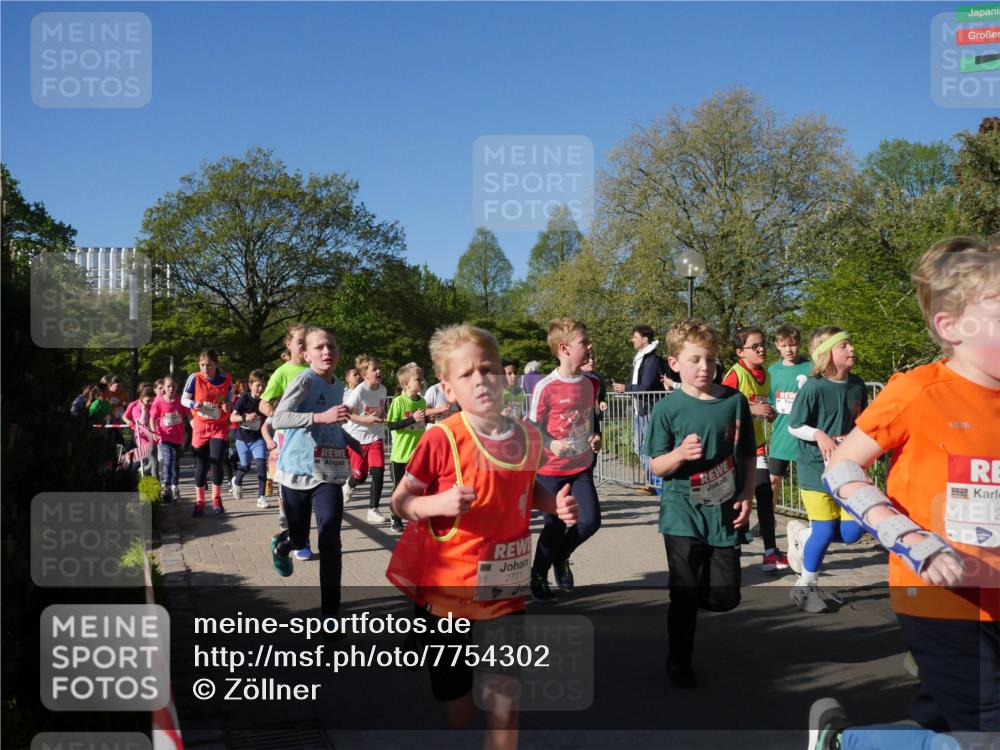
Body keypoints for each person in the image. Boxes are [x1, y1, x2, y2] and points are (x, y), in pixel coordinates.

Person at [807, 237, 999, 750]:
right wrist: (911, 538)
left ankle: (843, 742)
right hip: (939, 598)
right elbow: (842, 467)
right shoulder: (918, 391)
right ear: (950, 327)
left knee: (938, 721)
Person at [386, 323, 578, 750]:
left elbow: (526, 490)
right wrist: (433, 505)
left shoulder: (526, 436)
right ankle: (455, 694)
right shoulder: (442, 438)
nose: (480, 380)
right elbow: (401, 501)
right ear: (448, 388)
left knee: (504, 706)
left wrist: (554, 505)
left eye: (487, 369)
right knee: (458, 711)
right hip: (450, 600)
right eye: (467, 374)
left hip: (505, 595)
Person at [643, 319, 756, 689]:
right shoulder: (667, 408)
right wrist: (679, 453)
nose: (704, 367)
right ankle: (679, 660)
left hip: (722, 508)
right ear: (674, 363)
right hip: (681, 510)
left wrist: (746, 494)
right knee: (683, 589)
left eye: (710, 359)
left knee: (726, 598)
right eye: (695, 360)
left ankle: (691, 601)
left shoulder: (733, 402)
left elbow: (747, 455)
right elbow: (656, 465)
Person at [269, 327, 352, 625]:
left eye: (331, 346)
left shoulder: (338, 385)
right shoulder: (304, 379)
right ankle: (284, 543)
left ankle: (331, 615)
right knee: (301, 538)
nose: (326, 351)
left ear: (338, 352)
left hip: (327, 474)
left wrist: (352, 444)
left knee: (330, 538)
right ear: (306, 354)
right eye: (319, 347)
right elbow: (279, 418)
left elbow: (332, 425)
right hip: (295, 472)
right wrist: (320, 417)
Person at [785, 326, 868, 613]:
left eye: (851, 344)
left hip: (847, 470)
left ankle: (801, 536)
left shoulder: (858, 384)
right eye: (844, 346)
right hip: (814, 469)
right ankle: (806, 587)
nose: (851, 349)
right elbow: (794, 425)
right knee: (824, 531)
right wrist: (819, 434)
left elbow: (861, 423)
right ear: (826, 354)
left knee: (852, 532)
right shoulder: (814, 386)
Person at [528, 319, 603, 601]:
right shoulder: (545, 386)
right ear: (564, 348)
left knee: (590, 522)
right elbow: (533, 426)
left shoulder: (592, 383)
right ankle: (538, 574)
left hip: (581, 467)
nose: (589, 346)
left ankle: (561, 557)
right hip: (550, 470)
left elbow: (590, 418)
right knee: (556, 525)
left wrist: (596, 436)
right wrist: (551, 442)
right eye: (583, 342)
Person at [722, 326, 789, 572]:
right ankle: (733, 548)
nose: (762, 349)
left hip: (757, 445)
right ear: (741, 352)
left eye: (763, 344)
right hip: (734, 449)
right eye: (755, 346)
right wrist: (753, 410)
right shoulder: (735, 374)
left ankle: (770, 552)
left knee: (763, 493)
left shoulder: (767, 375)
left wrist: (767, 411)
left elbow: (759, 403)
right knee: (739, 499)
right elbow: (722, 407)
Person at [259, 323, 310, 545]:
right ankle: (294, 534)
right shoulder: (282, 372)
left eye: (307, 342)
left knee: (310, 486)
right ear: (289, 344)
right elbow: (262, 404)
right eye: (300, 342)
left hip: (311, 436)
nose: (304, 346)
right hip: (287, 438)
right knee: (290, 485)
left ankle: (299, 536)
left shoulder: (315, 368)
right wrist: (276, 415)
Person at [613, 324, 665, 495]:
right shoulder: (640, 359)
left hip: (649, 410)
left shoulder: (652, 360)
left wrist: (625, 388)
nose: (632, 340)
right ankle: (654, 482)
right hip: (640, 410)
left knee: (648, 448)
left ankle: (658, 484)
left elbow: (647, 386)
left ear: (645, 339)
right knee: (640, 448)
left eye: (635, 337)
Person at [181, 348, 234, 516]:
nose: (205, 369)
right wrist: (193, 405)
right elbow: (183, 399)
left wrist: (228, 405)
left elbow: (231, 397)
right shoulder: (194, 378)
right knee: (202, 465)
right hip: (200, 426)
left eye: (209, 365)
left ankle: (216, 499)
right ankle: (200, 501)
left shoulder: (226, 378)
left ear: (216, 365)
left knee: (217, 459)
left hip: (219, 426)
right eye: (202, 365)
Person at [767, 325, 812, 513]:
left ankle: (815, 523)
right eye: (784, 345)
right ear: (777, 345)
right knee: (772, 480)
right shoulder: (772, 370)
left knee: (808, 485)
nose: (789, 350)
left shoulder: (810, 367)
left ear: (799, 344)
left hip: (806, 437)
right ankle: (767, 521)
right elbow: (770, 399)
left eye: (792, 345)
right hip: (780, 436)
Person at [343, 354, 388, 523]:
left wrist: (383, 415)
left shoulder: (383, 389)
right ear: (364, 374)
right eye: (374, 369)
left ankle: (373, 509)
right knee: (360, 476)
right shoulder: (359, 391)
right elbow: (347, 411)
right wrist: (366, 419)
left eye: (379, 368)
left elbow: (382, 409)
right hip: (357, 439)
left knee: (378, 470)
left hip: (375, 436)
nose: (379, 371)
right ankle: (348, 486)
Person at [385, 363, 427, 534]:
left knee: (416, 489)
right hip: (400, 456)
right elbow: (391, 425)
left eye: (422, 379)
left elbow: (422, 424)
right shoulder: (399, 402)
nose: (422, 382)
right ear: (406, 383)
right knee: (399, 488)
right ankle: (395, 519)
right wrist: (412, 419)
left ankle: (414, 517)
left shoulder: (423, 402)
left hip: (416, 455)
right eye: (418, 379)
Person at [231, 369, 271, 509]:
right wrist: (244, 417)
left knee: (261, 465)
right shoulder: (244, 399)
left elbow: (268, 421)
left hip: (257, 439)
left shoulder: (265, 401)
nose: (261, 389)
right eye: (258, 385)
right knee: (245, 467)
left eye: (263, 386)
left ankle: (261, 497)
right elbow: (232, 417)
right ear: (250, 385)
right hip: (242, 439)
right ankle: (237, 480)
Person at [150, 375, 187, 503]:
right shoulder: (158, 401)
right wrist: (154, 431)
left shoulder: (179, 400)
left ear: (177, 387)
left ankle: (175, 486)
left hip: (177, 436)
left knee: (175, 460)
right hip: (164, 436)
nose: (171, 388)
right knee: (168, 459)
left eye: (173, 386)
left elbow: (188, 413)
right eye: (168, 386)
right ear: (164, 388)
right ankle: (166, 486)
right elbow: (153, 418)